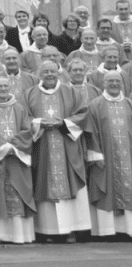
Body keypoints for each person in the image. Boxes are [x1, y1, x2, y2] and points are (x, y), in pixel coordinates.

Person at [18, 61, 90, 242]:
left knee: (69, 181)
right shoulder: (30, 94)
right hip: (42, 147)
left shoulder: (70, 92)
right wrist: (38, 124)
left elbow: (83, 113)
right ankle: (46, 231)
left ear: (59, 72)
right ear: (39, 74)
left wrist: (64, 123)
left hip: (67, 146)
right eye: (45, 71)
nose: (49, 74)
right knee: (44, 183)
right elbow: (23, 116)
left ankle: (71, 229)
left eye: (52, 71)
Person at [0, 77, 36, 243]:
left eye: (5, 86)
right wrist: (3, 147)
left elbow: (27, 129)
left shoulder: (20, 108)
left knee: (18, 191)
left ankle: (19, 235)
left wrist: (14, 146)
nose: (3, 88)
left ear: (10, 88)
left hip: (17, 158)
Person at [84, 71, 132, 238]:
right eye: (110, 81)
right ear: (103, 83)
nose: (114, 84)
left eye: (117, 81)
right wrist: (96, 155)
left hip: (128, 157)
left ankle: (127, 229)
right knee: (105, 188)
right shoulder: (95, 105)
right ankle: (107, 231)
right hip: (105, 156)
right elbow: (91, 132)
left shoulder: (129, 104)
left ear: (122, 84)